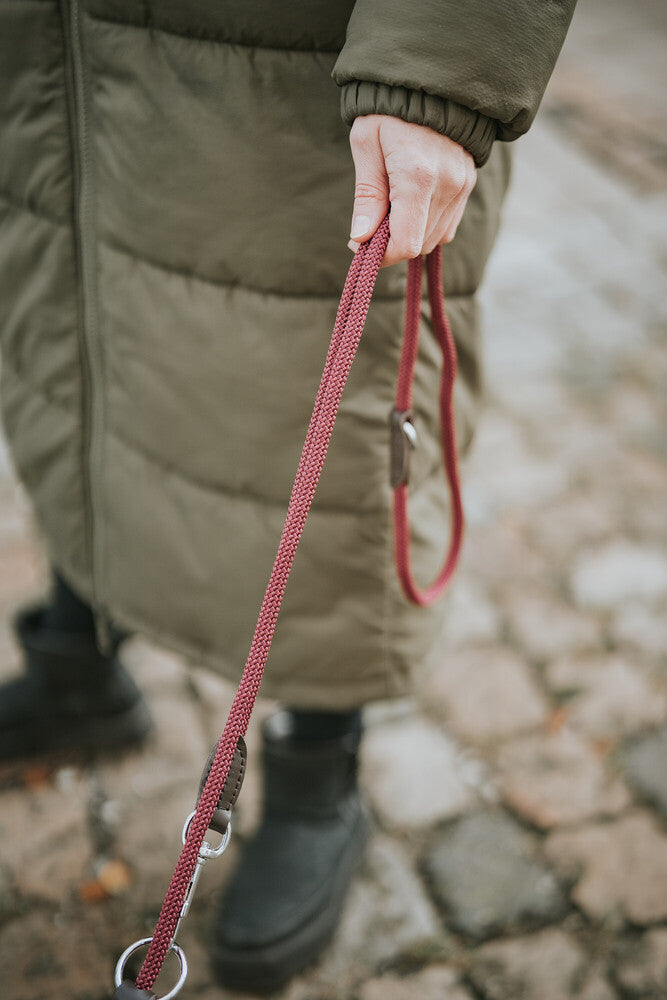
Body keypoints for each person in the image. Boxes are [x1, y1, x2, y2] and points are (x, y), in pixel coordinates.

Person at [0, 1, 577, 993]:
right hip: (59, 78)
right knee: (82, 372)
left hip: (292, 100)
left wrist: (440, 74)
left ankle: (318, 773)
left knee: (316, 446)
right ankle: (78, 661)